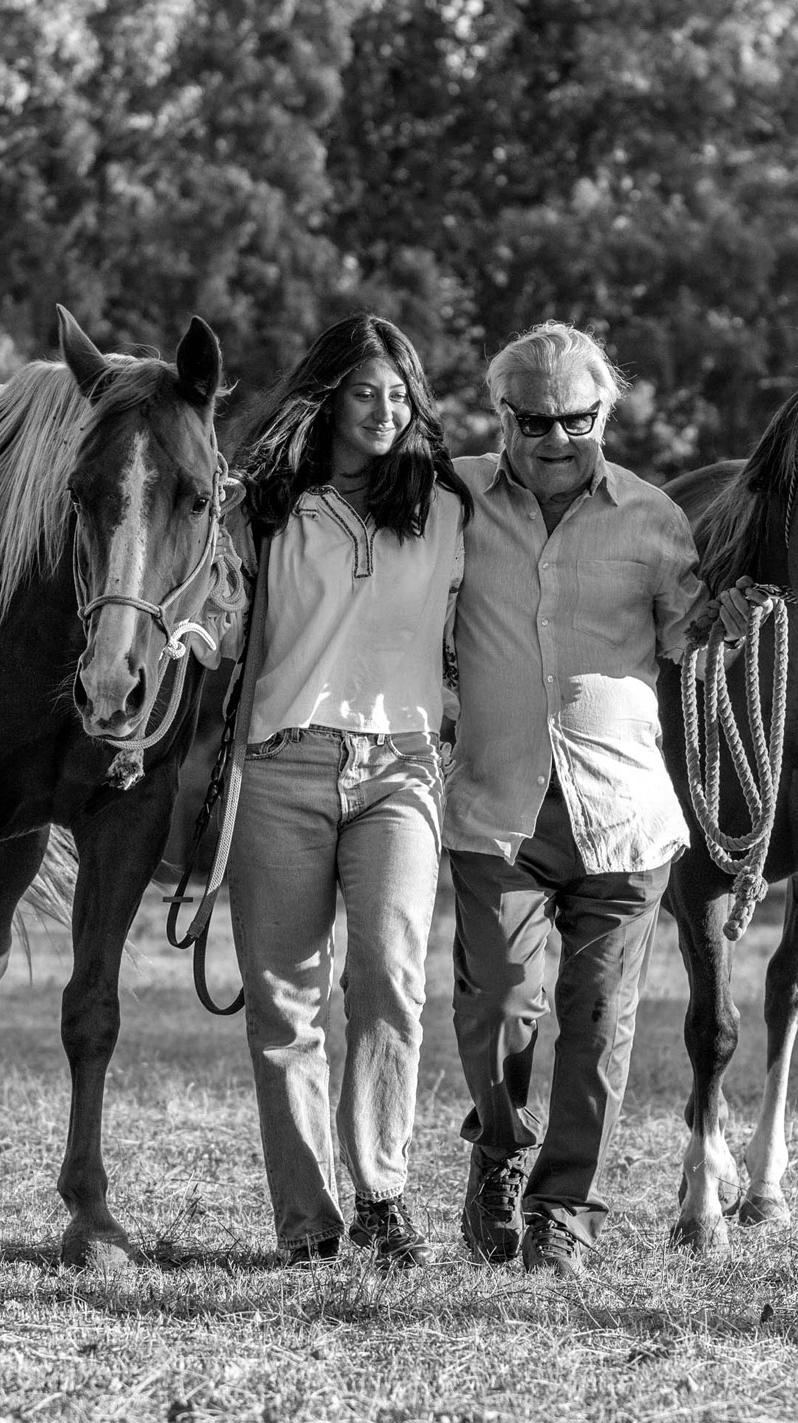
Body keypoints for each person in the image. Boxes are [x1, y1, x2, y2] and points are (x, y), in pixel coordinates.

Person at [445, 321, 710, 1278]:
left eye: (577, 419)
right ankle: (498, 1154)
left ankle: (565, 1212)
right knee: (500, 1008)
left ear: (605, 413)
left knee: (598, 1024)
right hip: (497, 809)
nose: (557, 438)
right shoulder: (452, 500)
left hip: (622, 816)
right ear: (500, 416)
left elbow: (687, 635)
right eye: (534, 420)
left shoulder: (653, 517)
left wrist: (732, 614)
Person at [227, 315, 470, 1269]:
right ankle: (308, 1225)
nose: (384, 411)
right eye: (365, 392)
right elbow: (216, 622)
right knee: (284, 1003)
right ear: (327, 399)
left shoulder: (448, 508)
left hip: (402, 769)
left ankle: (382, 1195)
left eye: (400, 395)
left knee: (389, 982)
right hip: (281, 764)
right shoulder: (263, 507)